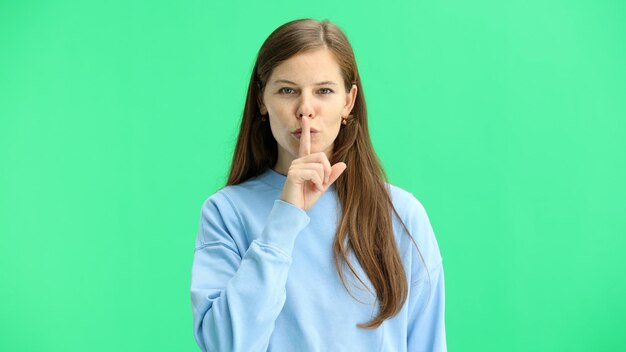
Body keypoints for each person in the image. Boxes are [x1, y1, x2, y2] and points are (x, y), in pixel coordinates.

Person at [190, 18, 446, 352]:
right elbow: (225, 344)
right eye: (287, 90)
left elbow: (427, 342)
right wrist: (286, 215)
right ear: (261, 101)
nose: (305, 110)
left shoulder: (402, 214)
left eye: (324, 91)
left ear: (348, 102)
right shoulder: (225, 212)